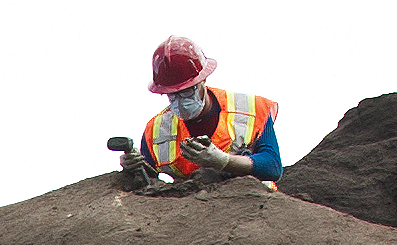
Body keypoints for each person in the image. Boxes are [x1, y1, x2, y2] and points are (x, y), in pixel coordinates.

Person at [117, 36, 283, 192]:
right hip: (191, 212)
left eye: (188, 92)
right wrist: (133, 167)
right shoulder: (156, 130)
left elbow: (273, 167)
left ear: (203, 80)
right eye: (172, 95)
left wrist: (223, 161)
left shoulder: (250, 109)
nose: (180, 102)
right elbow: (148, 182)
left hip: (249, 206)